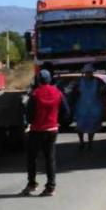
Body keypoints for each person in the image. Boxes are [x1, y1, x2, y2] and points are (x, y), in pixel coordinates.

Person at [21, 69, 69, 197]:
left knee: (32, 158)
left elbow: (29, 115)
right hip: (52, 130)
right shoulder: (58, 92)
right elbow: (66, 112)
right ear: (50, 80)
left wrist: (30, 123)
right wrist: (58, 122)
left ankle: (32, 184)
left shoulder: (35, 94)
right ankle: (50, 187)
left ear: (38, 81)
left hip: (37, 130)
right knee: (50, 159)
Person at [70, 64, 106, 150]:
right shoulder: (79, 82)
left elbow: (105, 90)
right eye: (86, 72)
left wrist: (102, 93)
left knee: (92, 126)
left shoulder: (98, 81)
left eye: (89, 72)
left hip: (94, 108)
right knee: (80, 127)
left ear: (92, 73)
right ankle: (81, 141)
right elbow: (73, 94)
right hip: (81, 108)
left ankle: (90, 143)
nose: (88, 74)